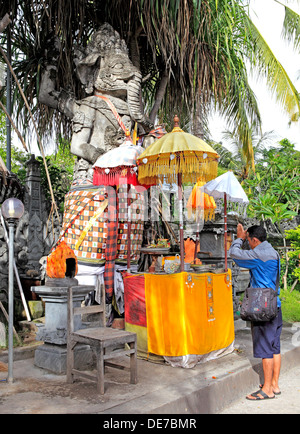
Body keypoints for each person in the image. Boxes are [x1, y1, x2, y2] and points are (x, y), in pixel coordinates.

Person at [229, 223, 282, 401]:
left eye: (249, 241)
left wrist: (239, 238)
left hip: (263, 307)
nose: (249, 245)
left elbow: (235, 255)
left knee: (265, 348)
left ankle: (266, 390)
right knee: (275, 346)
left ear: (254, 239)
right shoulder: (272, 251)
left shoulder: (259, 254)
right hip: (276, 304)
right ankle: (274, 384)